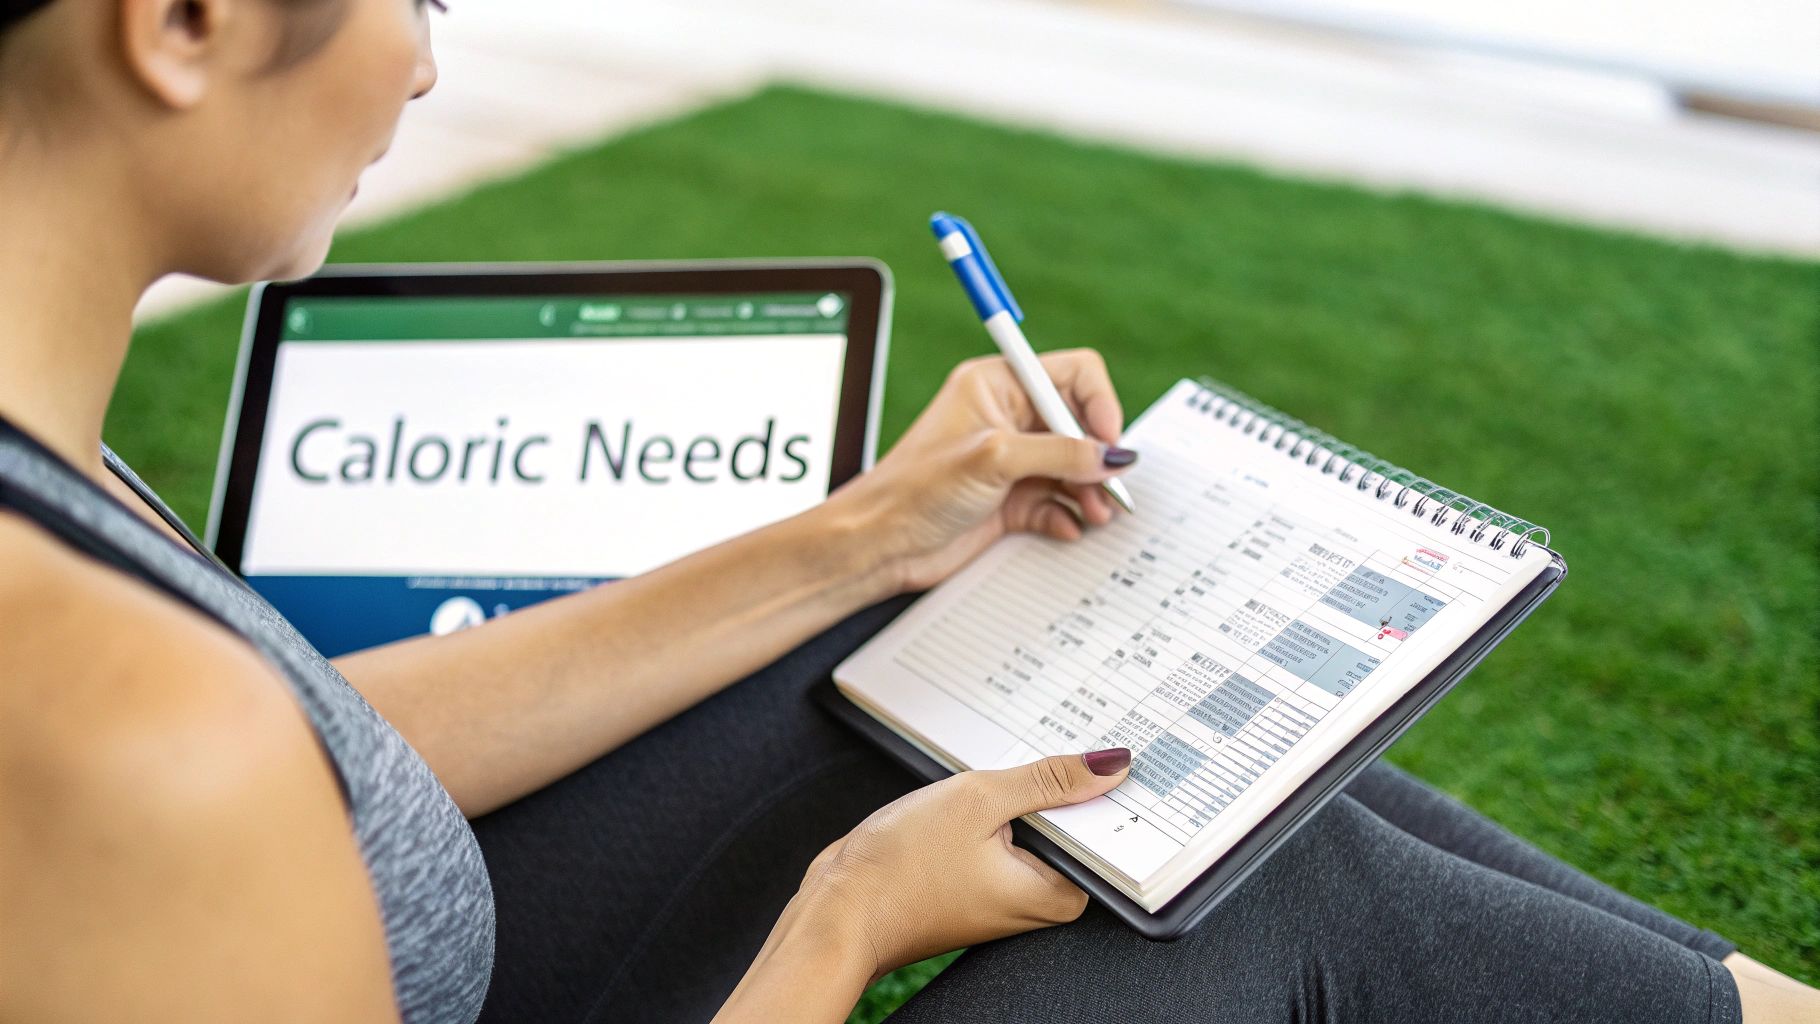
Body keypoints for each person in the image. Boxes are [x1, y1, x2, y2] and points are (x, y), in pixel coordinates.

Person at [0, 0, 1814, 1021]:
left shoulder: (51, 464)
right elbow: (226, 770)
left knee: (940, 676)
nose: (419, 59)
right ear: (183, 23)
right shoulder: (121, 737)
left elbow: (320, 750)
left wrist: (867, 537)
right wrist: (838, 928)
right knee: (1210, 909)